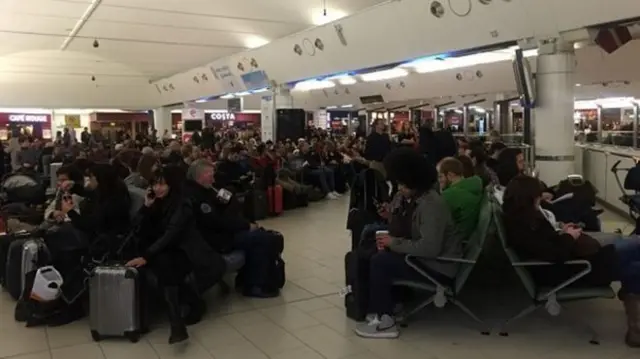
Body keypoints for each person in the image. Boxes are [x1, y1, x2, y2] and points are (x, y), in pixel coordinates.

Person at [355, 148, 464, 339]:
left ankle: (385, 321)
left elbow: (429, 247)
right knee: (374, 251)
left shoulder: (431, 205)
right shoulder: (419, 198)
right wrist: (391, 217)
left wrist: (394, 242)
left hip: (439, 266)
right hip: (430, 260)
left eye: (401, 183)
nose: (398, 188)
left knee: (381, 261)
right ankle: (386, 305)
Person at [126, 165, 220, 345]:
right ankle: (181, 318)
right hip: (163, 251)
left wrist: (146, 256)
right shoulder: (156, 203)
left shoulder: (182, 204)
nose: (157, 189)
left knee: (165, 264)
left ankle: (177, 323)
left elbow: (171, 235)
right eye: (154, 184)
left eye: (162, 184)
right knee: (164, 264)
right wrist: (146, 207)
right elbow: (136, 229)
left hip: (184, 251)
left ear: (171, 185)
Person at [184, 159, 281, 298]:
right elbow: (217, 222)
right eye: (210, 174)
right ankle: (254, 285)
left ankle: (250, 281)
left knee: (261, 236)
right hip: (214, 239)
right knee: (261, 239)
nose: (213, 178)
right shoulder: (196, 197)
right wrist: (246, 226)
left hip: (220, 233)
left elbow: (224, 213)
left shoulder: (205, 191)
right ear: (201, 175)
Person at [437, 157, 483, 239]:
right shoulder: (472, 187)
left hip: (454, 242)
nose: (438, 180)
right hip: (466, 239)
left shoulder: (451, 195)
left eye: (440, 176)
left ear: (450, 175)